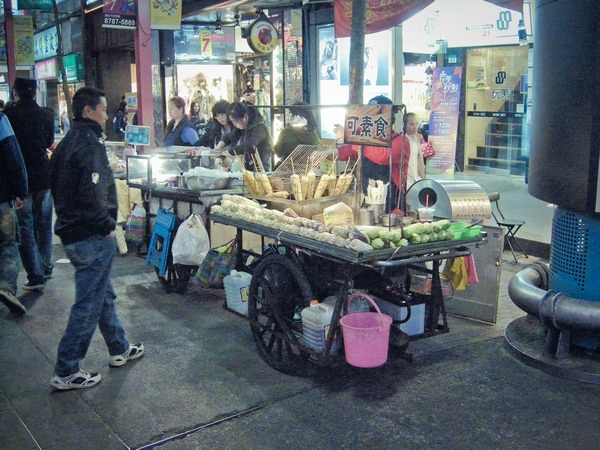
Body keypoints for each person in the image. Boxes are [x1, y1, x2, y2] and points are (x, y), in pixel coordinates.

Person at [48, 86, 144, 390]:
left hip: (72, 232)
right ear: (88, 111)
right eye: (102, 110)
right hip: (89, 235)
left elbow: (56, 182)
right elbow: (92, 193)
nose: (106, 115)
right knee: (88, 303)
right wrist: (105, 226)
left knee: (102, 295)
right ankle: (66, 369)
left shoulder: (67, 143)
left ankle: (119, 347)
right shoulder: (89, 144)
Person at [5, 78, 55, 290]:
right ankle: (46, 265)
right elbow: (49, 142)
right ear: (35, 93)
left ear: (15, 92)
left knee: (26, 227)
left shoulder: (9, 116)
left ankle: (35, 274)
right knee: (44, 225)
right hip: (44, 176)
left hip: (22, 180)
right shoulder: (47, 114)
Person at [335, 95, 412, 212]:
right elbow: (348, 151)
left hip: (392, 207)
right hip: (367, 202)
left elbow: (383, 156)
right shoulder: (365, 141)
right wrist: (325, 154)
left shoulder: (401, 141)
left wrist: (349, 136)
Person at [0, 109, 28, 315]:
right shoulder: (1, 120)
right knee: (7, 243)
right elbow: (13, 155)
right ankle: (6, 288)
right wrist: (20, 190)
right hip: (1, 198)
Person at [216, 101, 272, 171]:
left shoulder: (260, 128)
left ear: (245, 117)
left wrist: (227, 153)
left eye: (235, 121)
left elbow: (249, 145)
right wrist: (217, 148)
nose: (234, 124)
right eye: (232, 121)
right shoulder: (243, 125)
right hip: (246, 168)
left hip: (259, 169)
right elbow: (230, 137)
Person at [273, 102, 320, 169]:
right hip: (308, 171)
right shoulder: (313, 135)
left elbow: (278, 153)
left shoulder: (286, 133)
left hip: (288, 170)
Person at [404, 112, 426, 187]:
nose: (415, 127)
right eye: (411, 124)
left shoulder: (417, 139)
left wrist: (423, 179)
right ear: (405, 125)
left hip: (417, 180)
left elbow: (420, 161)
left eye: (416, 124)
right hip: (406, 182)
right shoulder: (402, 140)